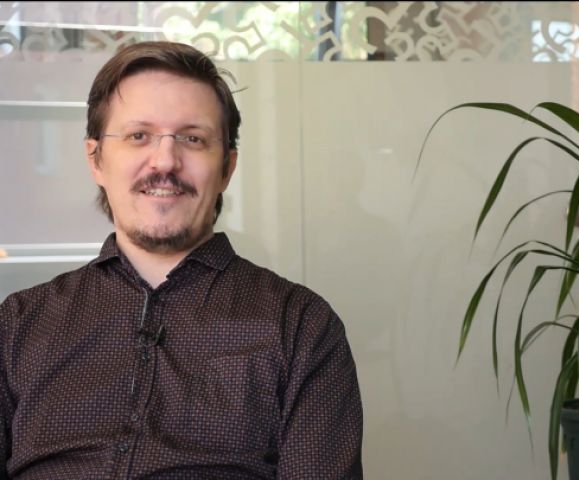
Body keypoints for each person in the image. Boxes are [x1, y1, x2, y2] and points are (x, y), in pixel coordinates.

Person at [0, 41, 363, 479]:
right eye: (138, 136)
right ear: (96, 160)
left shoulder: (301, 326)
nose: (165, 161)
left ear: (226, 168)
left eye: (193, 139)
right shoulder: (18, 324)